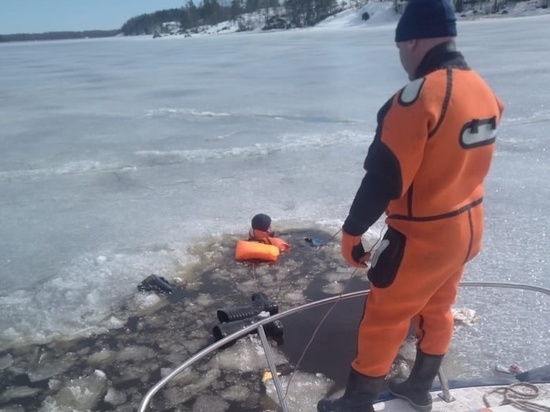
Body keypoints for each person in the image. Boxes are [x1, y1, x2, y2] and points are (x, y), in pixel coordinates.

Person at [318, 1, 505, 411]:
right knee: (438, 306)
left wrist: (352, 232)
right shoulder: (485, 91)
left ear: (414, 40)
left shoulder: (415, 99)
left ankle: (357, 401)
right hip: (467, 228)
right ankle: (419, 387)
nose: (402, 57)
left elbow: (385, 176)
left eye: (401, 47)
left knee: (385, 314)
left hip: (423, 235)